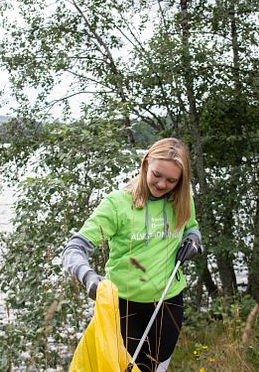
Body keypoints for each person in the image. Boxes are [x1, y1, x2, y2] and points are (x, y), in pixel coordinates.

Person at [62, 137, 202, 372]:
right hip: (124, 309)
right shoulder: (117, 205)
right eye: (157, 174)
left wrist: (193, 242)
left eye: (171, 180)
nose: (161, 184)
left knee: (156, 369)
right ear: (146, 162)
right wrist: (88, 277)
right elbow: (73, 249)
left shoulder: (181, 198)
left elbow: (192, 228)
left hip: (168, 304)